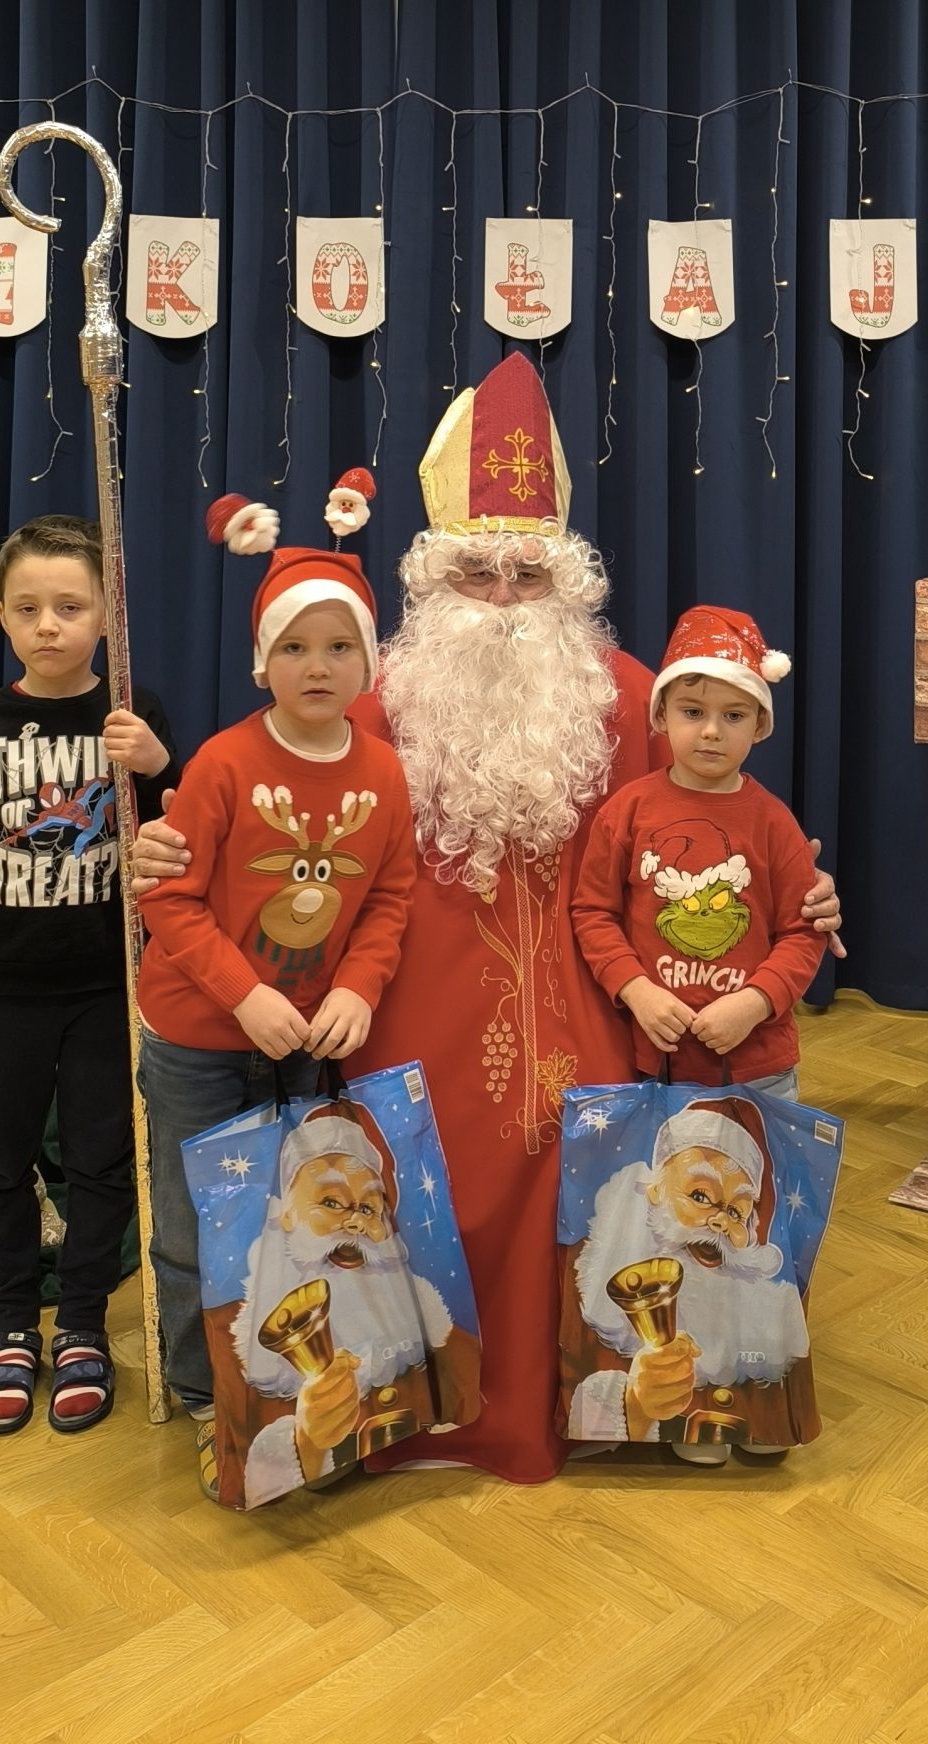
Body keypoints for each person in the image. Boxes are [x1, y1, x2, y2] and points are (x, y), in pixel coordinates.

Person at [133, 354, 842, 1482]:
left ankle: (651, 1386)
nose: (506, 599)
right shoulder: (366, 706)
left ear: (566, 577)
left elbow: (717, 831)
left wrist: (801, 895)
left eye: (528, 572)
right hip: (404, 1011)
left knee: (615, 1170)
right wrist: (171, 847)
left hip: (605, 1008)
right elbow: (276, 831)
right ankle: (396, 1398)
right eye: (478, 571)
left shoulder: (636, 697)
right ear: (434, 576)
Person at [132, 475, 419, 1486]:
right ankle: (200, 1394)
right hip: (201, 1040)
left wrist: (358, 991)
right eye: (295, 647)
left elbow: (389, 898)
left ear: (368, 663)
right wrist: (243, 995)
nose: (318, 666)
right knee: (191, 1225)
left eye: (340, 647)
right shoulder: (221, 765)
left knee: (294, 1225)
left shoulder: (383, 773)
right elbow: (171, 901)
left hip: (306, 1047)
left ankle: (283, 1380)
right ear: (263, 660)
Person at [0, 512, 180, 1437]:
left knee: (103, 1161)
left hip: (109, 988)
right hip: (0, 989)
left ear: (106, 615)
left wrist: (163, 765)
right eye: (28, 608)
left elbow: (192, 837)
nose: (50, 625)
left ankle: (83, 1326)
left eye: (70, 606)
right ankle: (13, 1327)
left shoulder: (137, 720)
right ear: (2, 616)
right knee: (0, 1161)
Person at [571, 604, 827, 1101]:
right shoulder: (627, 811)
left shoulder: (775, 823)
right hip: (652, 1059)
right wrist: (637, 991)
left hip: (758, 1065)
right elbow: (593, 913)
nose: (711, 731)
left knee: (755, 1155)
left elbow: (803, 933)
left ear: (760, 726)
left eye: (733, 715)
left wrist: (754, 1003)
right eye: (693, 712)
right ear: (661, 715)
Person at [220, 1106, 481, 1506]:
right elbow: (245, 1448)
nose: (357, 1224)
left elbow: (465, 1392)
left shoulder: (430, 1322)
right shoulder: (243, 1331)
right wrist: (307, 1443)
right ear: (286, 1215)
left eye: (369, 1208)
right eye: (332, 1202)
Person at [561, 1100, 816, 1458]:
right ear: (655, 1191)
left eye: (737, 1212)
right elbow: (572, 1381)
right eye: (700, 1196)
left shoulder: (761, 1305)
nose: (719, 1222)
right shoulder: (591, 1280)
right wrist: (635, 1403)